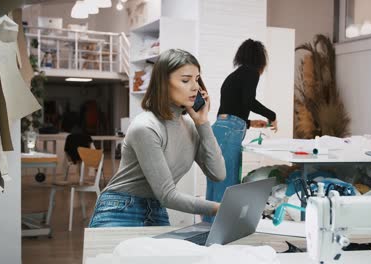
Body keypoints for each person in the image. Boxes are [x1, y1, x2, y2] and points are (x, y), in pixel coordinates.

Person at [89, 49, 226, 227]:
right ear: (163, 83)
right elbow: (168, 195)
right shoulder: (146, 127)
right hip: (120, 209)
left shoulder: (191, 126)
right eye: (185, 80)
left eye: (197, 78)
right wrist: (219, 208)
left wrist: (203, 123)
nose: (195, 87)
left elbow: (218, 174)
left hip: (157, 209)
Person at [205, 39, 277, 220]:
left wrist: (250, 123)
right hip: (229, 134)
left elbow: (229, 111)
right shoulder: (251, 73)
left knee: (215, 183)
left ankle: (207, 229)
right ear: (260, 58)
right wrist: (272, 115)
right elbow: (248, 101)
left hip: (218, 129)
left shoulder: (234, 76)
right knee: (228, 185)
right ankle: (221, 234)